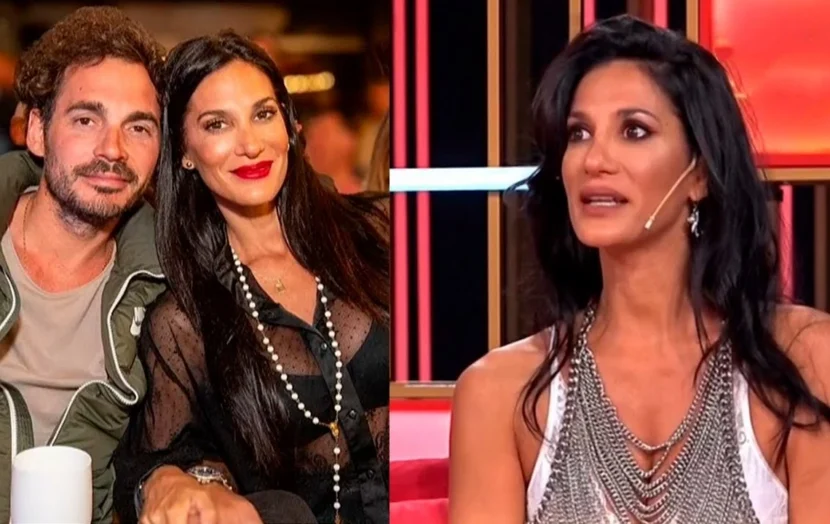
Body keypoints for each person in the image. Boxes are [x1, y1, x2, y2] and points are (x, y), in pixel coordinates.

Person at [449, 15, 830, 524]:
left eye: (634, 130)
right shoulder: (500, 392)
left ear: (699, 174)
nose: (594, 159)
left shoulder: (805, 361)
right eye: (579, 133)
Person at [113, 32, 390, 524]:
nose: (250, 144)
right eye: (217, 124)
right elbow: (168, 462)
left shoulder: (377, 233)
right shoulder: (184, 323)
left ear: (289, 125)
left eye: (263, 114)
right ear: (185, 151)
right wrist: (198, 483)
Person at [0, 6, 166, 523]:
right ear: (37, 131)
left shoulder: (167, 285)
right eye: (86, 119)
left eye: (138, 127)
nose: (112, 150)